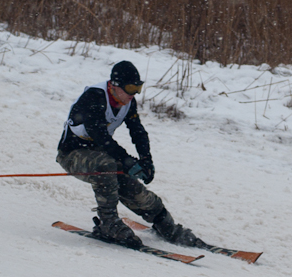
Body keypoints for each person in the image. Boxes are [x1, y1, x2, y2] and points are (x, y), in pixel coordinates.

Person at [56, 60, 200, 250]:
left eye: (138, 88)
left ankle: (163, 222)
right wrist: (126, 160)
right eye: (131, 88)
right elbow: (100, 136)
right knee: (107, 166)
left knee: (129, 184)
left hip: (102, 154)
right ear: (114, 85)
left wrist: (146, 159)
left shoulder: (126, 101)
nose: (134, 94)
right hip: (72, 154)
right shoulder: (94, 97)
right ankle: (108, 223)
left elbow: (137, 131)